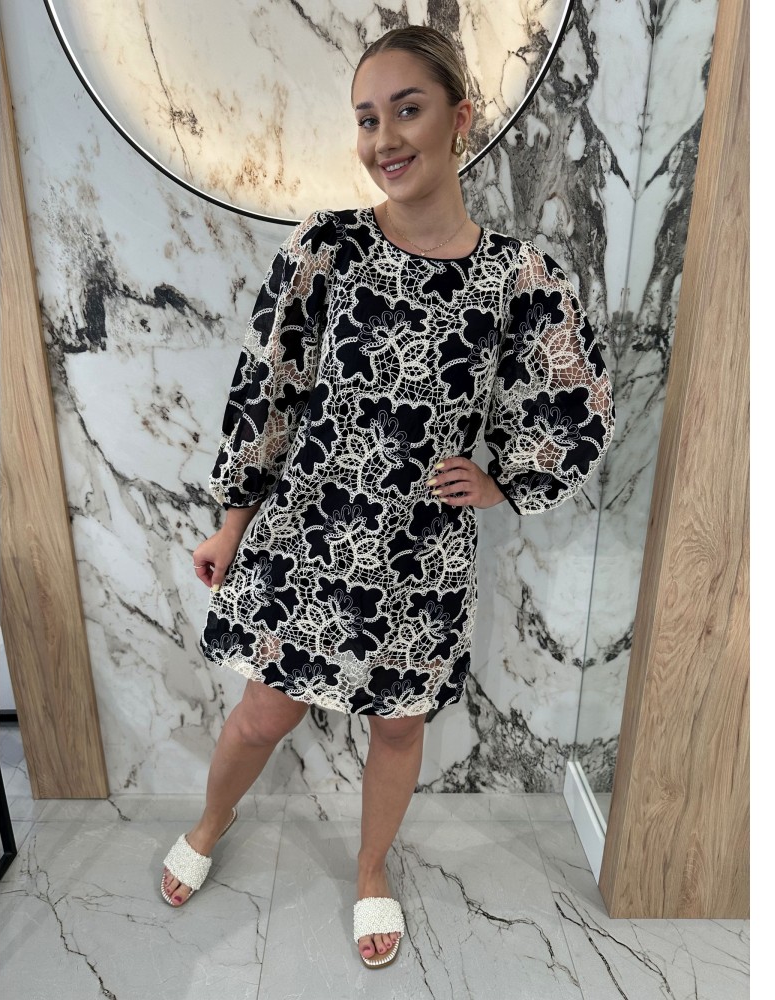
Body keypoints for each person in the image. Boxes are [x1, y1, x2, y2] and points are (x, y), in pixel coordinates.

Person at [160, 25, 615, 970]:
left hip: (422, 552)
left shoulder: (516, 276)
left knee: (399, 725)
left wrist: (505, 479)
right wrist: (233, 522)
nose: (384, 139)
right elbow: (269, 385)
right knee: (264, 713)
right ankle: (208, 823)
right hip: (306, 535)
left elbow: (578, 396)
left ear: (460, 117)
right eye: (367, 119)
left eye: (406, 110)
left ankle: (372, 869)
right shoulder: (326, 247)